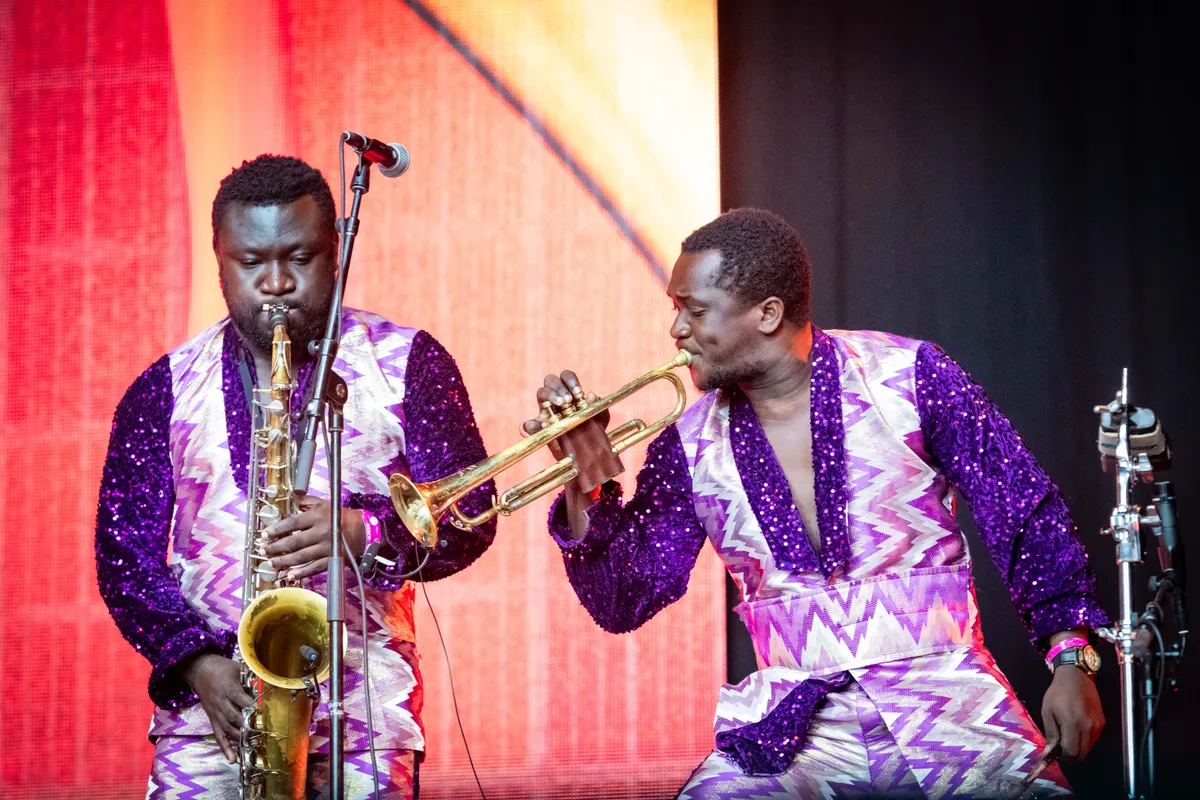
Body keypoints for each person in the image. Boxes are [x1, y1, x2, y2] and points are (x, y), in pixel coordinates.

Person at [525, 208, 1108, 798]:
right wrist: (583, 482)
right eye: (675, 309)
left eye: (694, 311)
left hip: (951, 704)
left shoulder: (911, 376)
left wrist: (1071, 657)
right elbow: (624, 599)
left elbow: (1024, 510)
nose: (676, 329)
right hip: (793, 729)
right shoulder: (686, 445)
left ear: (768, 313)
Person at [95, 155, 495, 799]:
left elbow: (474, 515)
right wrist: (197, 663)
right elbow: (123, 559)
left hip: (366, 720)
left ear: (335, 252)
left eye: (300, 258)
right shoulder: (161, 388)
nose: (277, 283)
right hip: (212, 721)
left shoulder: (410, 362)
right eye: (251, 263)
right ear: (220, 259)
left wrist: (366, 531)